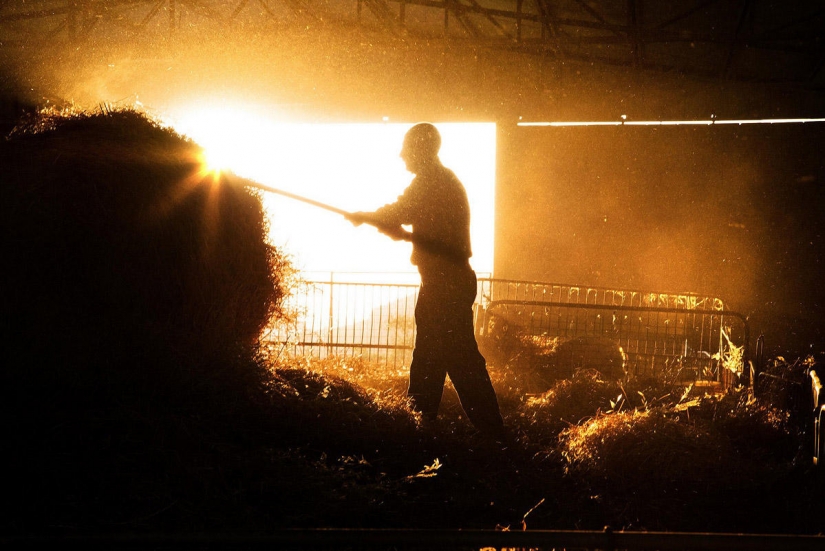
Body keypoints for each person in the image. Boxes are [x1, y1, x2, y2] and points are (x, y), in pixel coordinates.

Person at [348, 123, 506, 440]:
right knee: (433, 358)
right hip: (444, 279)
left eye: (407, 147)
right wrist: (388, 225)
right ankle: (423, 424)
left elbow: (401, 211)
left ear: (420, 149)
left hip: (444, 281)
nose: (402, 154)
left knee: (454, 359)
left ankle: (486, 432)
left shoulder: (431, 182)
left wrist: (368, 217)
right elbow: (418, 225)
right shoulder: (441, 182)